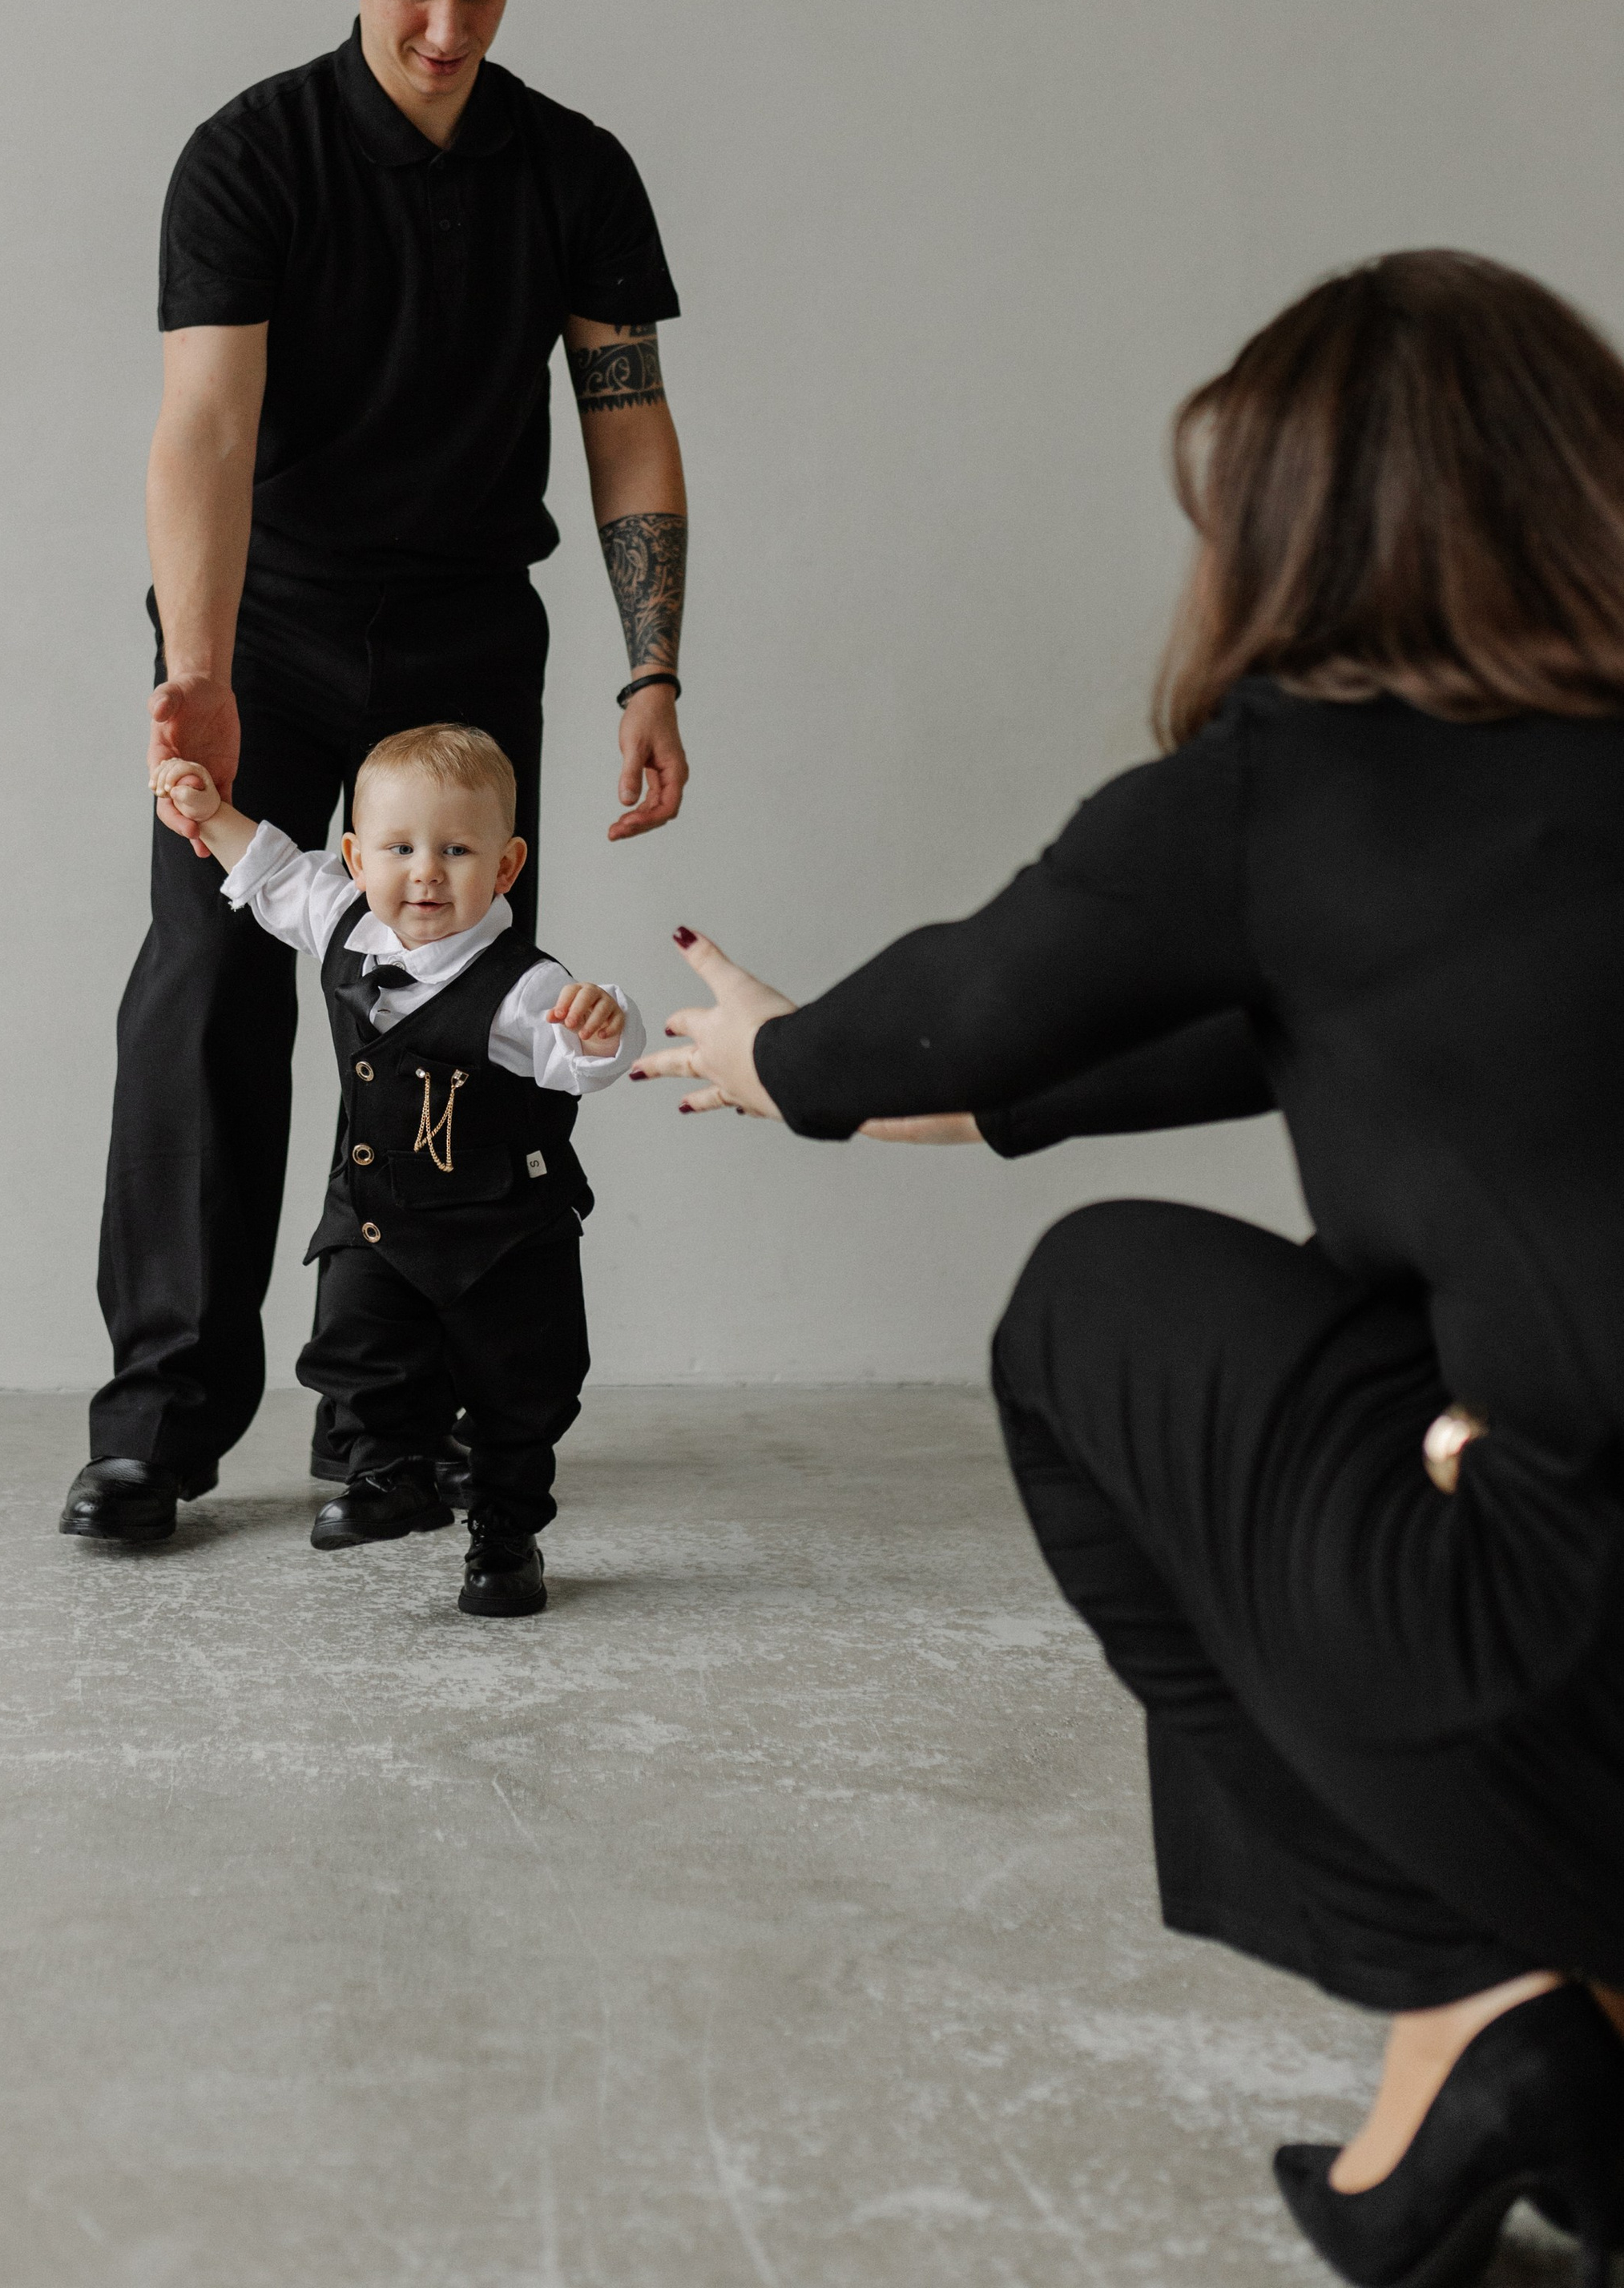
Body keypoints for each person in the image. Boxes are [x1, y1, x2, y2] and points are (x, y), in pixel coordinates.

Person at [638, 251, 1624, 2286]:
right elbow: (1225, 1033)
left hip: (1560, 1659)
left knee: (1092, 1316)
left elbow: (982, 997)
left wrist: (780, 1061)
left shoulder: (1293, 778)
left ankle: (1474, 2002)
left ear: (1287, 529)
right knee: (1385, 1328)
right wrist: (893, 1097)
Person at [65, 0, 689, 1544]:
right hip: (261, 621)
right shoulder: (251, 157)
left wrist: (653, 671)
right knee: (206, 987)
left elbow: (629, 428)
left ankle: (391, 1424)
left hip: (467, 627)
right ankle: (159, 1423)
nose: (445, 26)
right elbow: (205, 429)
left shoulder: (572, 168)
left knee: (454, 1024)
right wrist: (200, 671)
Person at [145, 721, 641, 1616]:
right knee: (357, 1344)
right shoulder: (345, 921)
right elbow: (274, 874)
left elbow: (580, 1062)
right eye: (400, 849)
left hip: (503, 1232)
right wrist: (211, 813)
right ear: (356, 858)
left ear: (506, 866)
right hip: (377, 1213)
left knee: (515, 1390)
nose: (425, 873)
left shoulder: (524, 986)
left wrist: (605, 1027)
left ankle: (505, 1536)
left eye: (456, 850)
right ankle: (391, 1474)